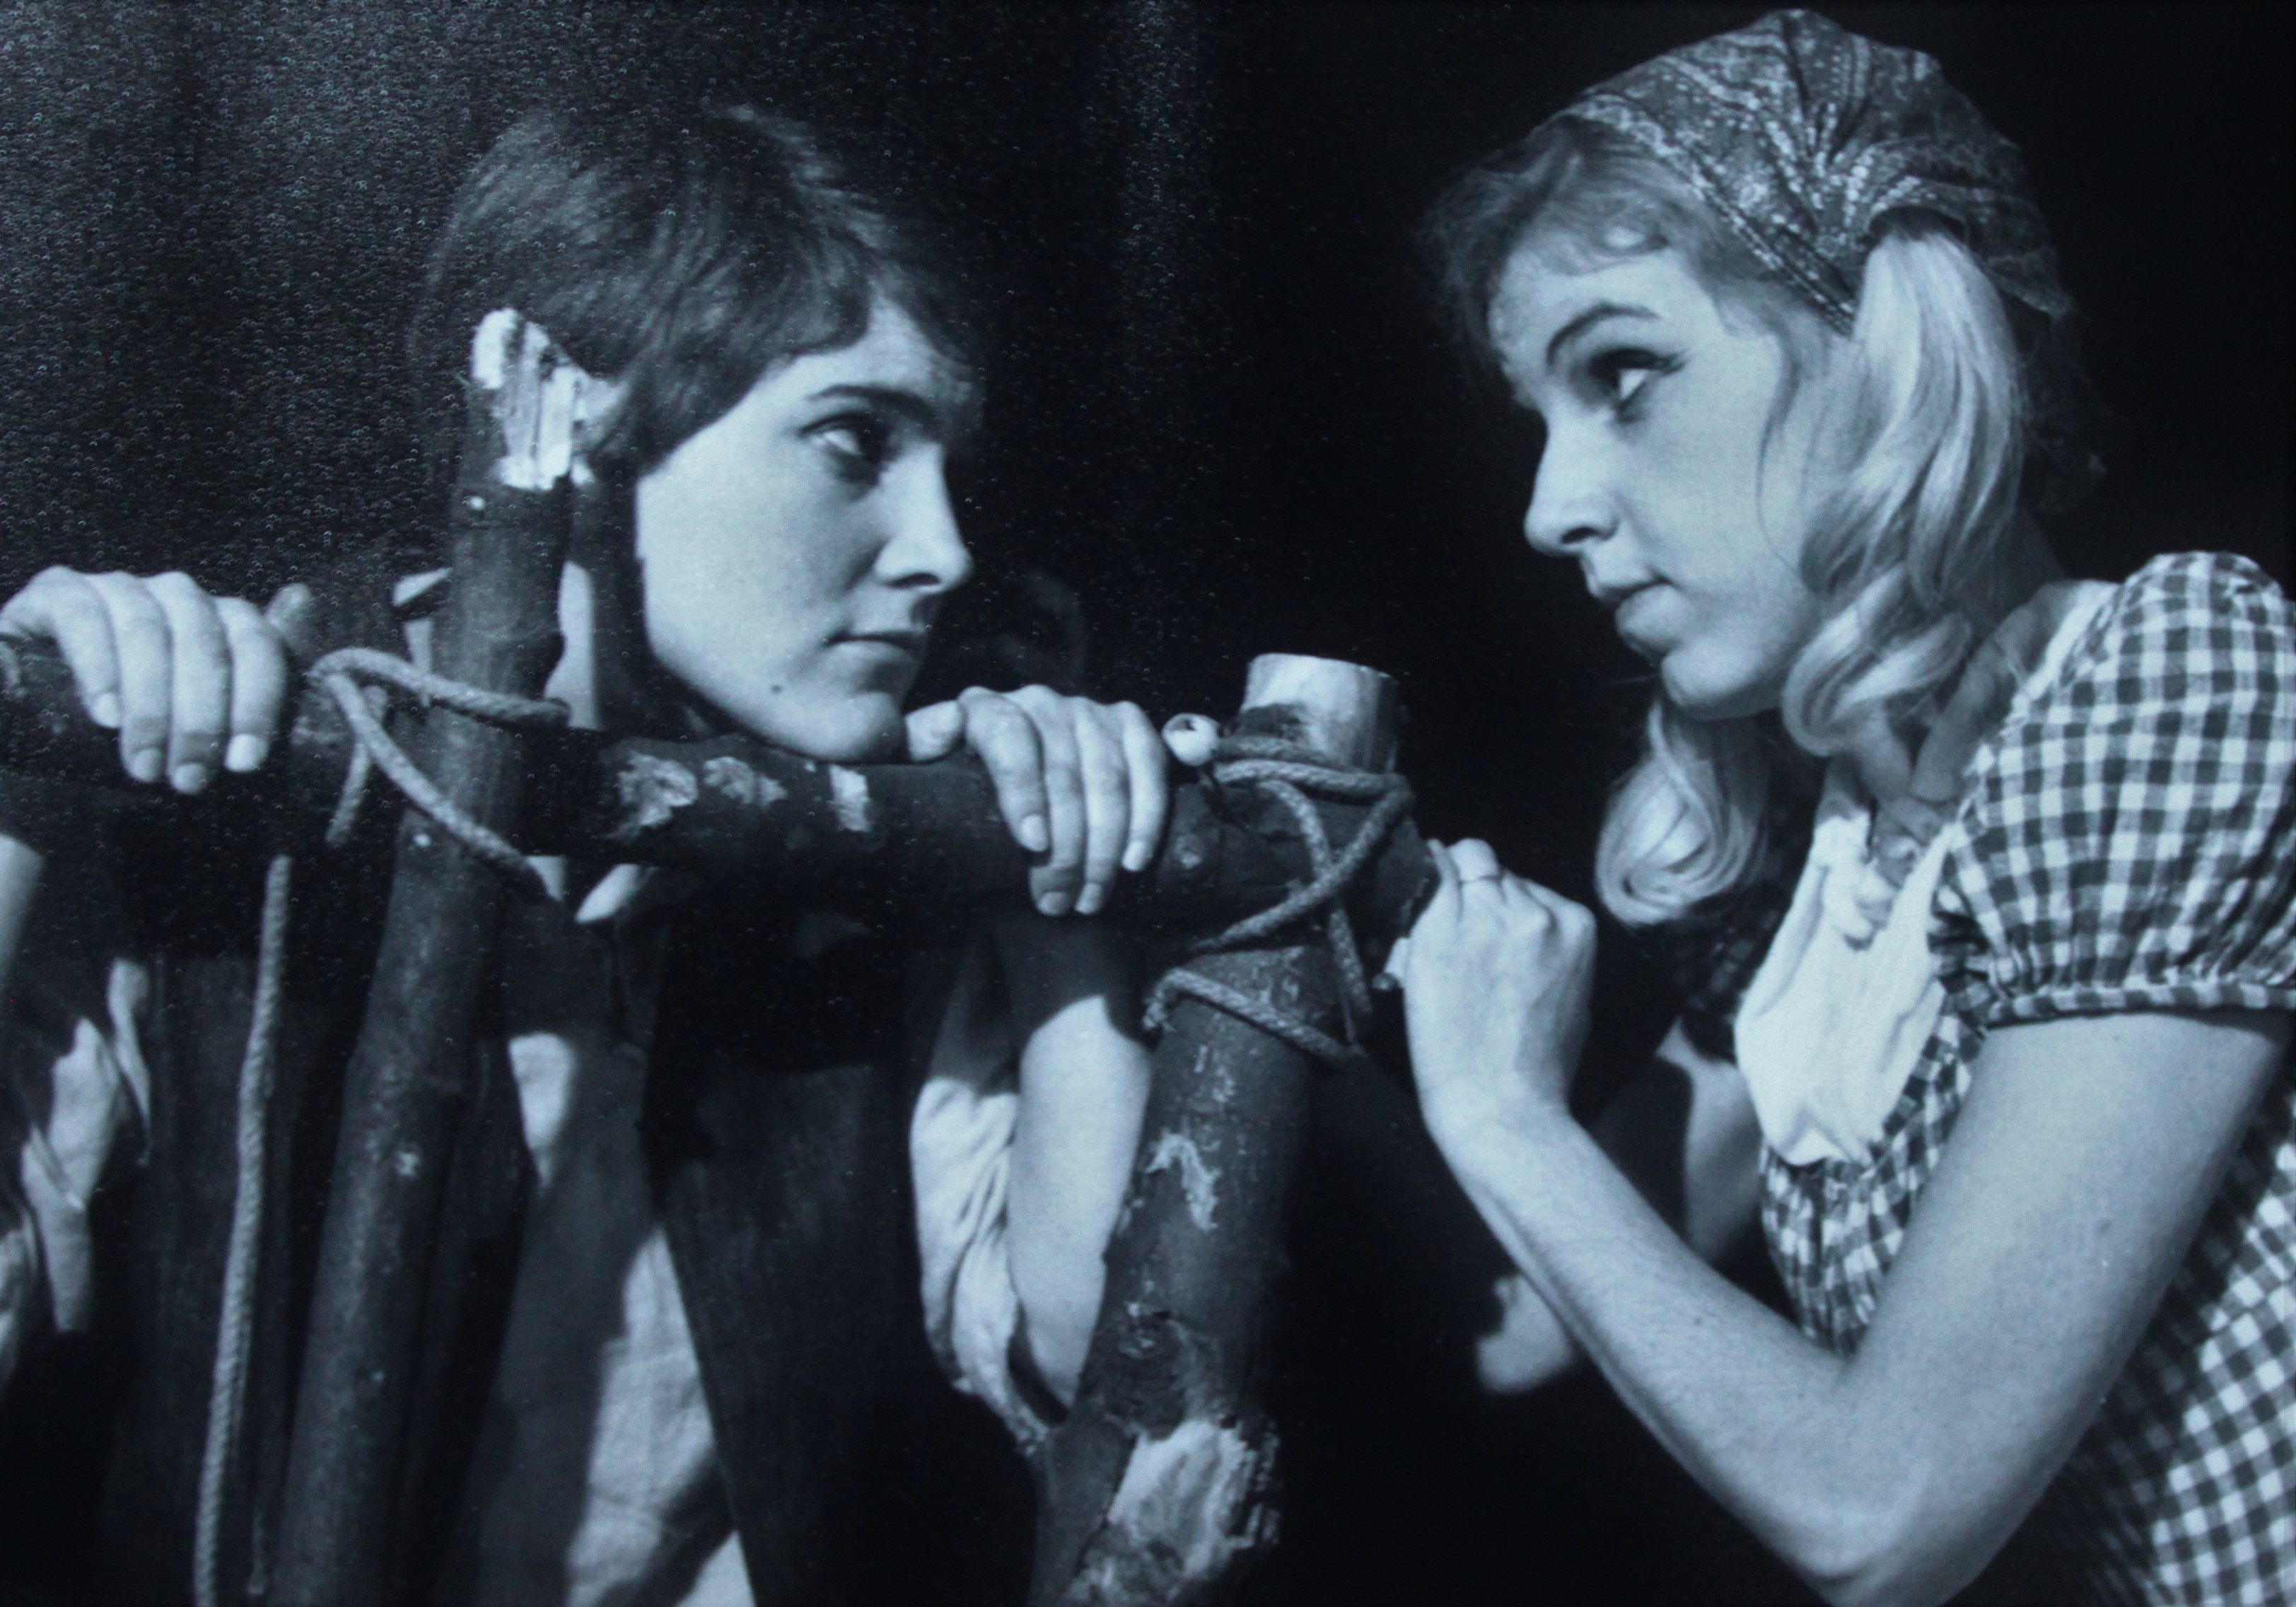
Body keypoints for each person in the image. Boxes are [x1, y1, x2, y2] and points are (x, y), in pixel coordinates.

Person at [0, 103, 1160, 1606]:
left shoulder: (874, 855)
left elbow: (1103, 1360)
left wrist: (1061, 870)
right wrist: (16, 778)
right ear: (570, 413)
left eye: (950, 468)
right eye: (855, 441)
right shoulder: (232, 790)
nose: (943, 550)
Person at [1398, 11, 2295, 1606]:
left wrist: (1501, 1112)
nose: (1549, 508)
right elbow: (1532, 1319)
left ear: (1878, 343)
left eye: (1623, 376)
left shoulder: (2170, 677)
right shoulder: (1826, 856)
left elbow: (1883, 1509)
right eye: (1539, 419)